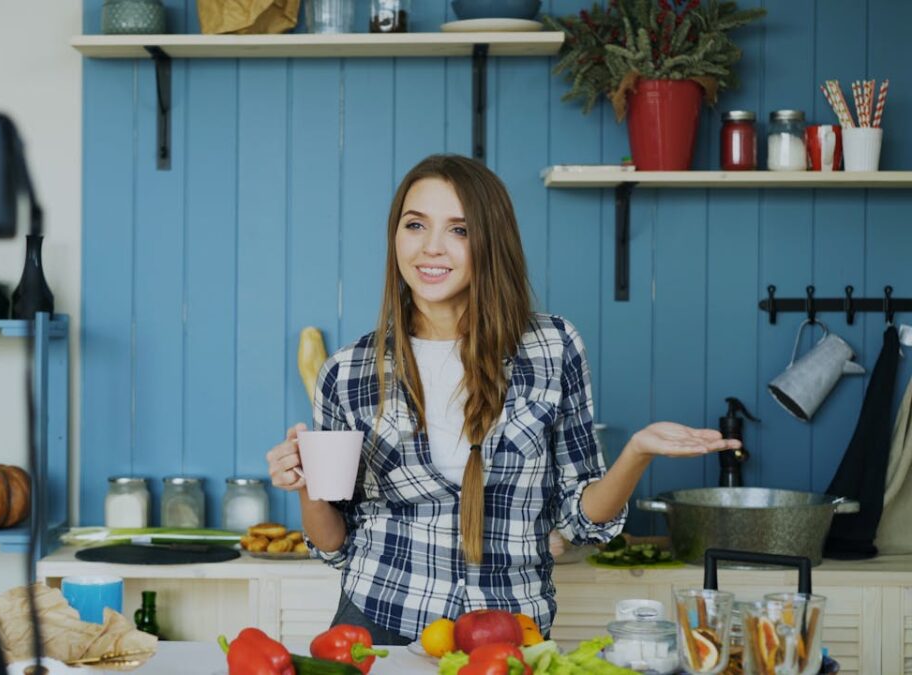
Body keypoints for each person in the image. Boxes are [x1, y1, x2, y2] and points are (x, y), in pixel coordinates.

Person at [265, 154, 740, 645]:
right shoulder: (348, 372)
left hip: (508, 630)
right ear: (395, 236)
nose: (431, 248)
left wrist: (637, 452)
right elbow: (334, 543)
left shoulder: (552, 347)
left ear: (491, 241)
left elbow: (582, 517)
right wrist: (305, 486)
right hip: (379, 620)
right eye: (415, 225)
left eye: (459, 230)